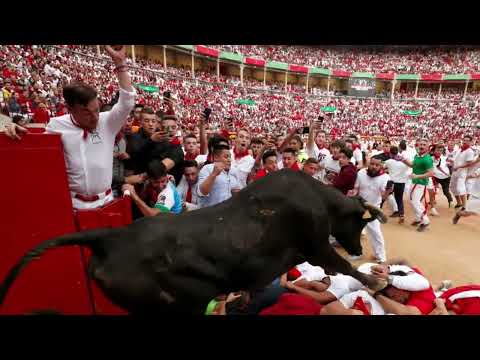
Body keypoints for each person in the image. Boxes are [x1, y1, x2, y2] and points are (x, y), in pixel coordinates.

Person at [4, 45, 135, 210]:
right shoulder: (56, 125)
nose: (94, 117)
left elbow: (128, 102)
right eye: (86, 112)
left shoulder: (107, 122)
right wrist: (15, 132)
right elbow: (35, 150)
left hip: (107, 202)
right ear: (70, 109)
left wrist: (120, 64)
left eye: (96, 110)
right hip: (74, 205)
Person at [348, 157, 391, 263]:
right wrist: (352, 193)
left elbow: (383, 196)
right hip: (358, 206)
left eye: (377, 165)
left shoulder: (385, 177)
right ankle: (357, 253)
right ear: (368, 164)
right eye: (372, 164)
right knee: (354, 231)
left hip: (372, 209)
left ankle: (381, 257)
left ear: (381, 166)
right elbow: (356, 189)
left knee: (375, 233)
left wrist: (388, 191)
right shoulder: (361, 173)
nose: (374, 167)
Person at [402, 138, 434, 232]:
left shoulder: (427, 159)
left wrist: (417, 176)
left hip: (420, 183)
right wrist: (403, 160)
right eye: (420, 144)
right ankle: (418, 218)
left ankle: (425, 221)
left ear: (428, 147)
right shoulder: (417, 156)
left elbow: (431, 173)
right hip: (415, 182)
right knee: (411, 200)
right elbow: (412, 165)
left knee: (415, 201)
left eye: (424, 144)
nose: (422, 146)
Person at [384, 146, 410, 224]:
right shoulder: (404, 161)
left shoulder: (388, 161)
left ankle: (379, 211)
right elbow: (409, 166)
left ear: (391, 153)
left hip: (392, 182)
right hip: (401, 183)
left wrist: (388, 169)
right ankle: (401, 215)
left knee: (385, 196)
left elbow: (382, 167)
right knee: (399, 199)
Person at [450, 135, 475, 209]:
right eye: (464, 140)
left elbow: (469, 163)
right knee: (452, 187)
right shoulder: (460, 149)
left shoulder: (470, 151)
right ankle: (459, 202)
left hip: (462, 172)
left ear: (470, 142)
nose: (465, 142)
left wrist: (458, 167)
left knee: (460, 189)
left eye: (467, 140)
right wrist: (452, 162)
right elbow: (456, 159)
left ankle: (464, 206)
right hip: (455, 171)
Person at [431, 144, 453, 208]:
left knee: (445, 191)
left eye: (441, 151)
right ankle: (432, 200)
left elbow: (451, 162)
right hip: (435, 176)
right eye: (438, 150)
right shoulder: (430, 158)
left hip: (445, 177)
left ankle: (450, 201)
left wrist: (448, 172)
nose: (439, 152)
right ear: (434, 151)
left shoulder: (444, 158)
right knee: (431, 189)